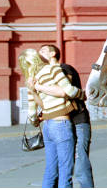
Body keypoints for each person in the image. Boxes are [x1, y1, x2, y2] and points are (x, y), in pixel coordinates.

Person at [19, 48, 84, 188]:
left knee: (50, 171)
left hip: (48, 126)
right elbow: (68, 91)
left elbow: (32, 115)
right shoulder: (53, 69)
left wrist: (36, 119)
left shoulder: (31, 81)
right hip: (61, 124)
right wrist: (82, 94)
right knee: (65, 172)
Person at [39, 44, 94, 188]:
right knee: (56, 168)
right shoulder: (44, 74)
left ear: (53, 54)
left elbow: (64, 91)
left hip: (78, 122)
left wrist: (38, 87)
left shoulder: (64, 69)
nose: (39, 53)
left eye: (43, 50)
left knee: (80, 165)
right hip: (59, 123)